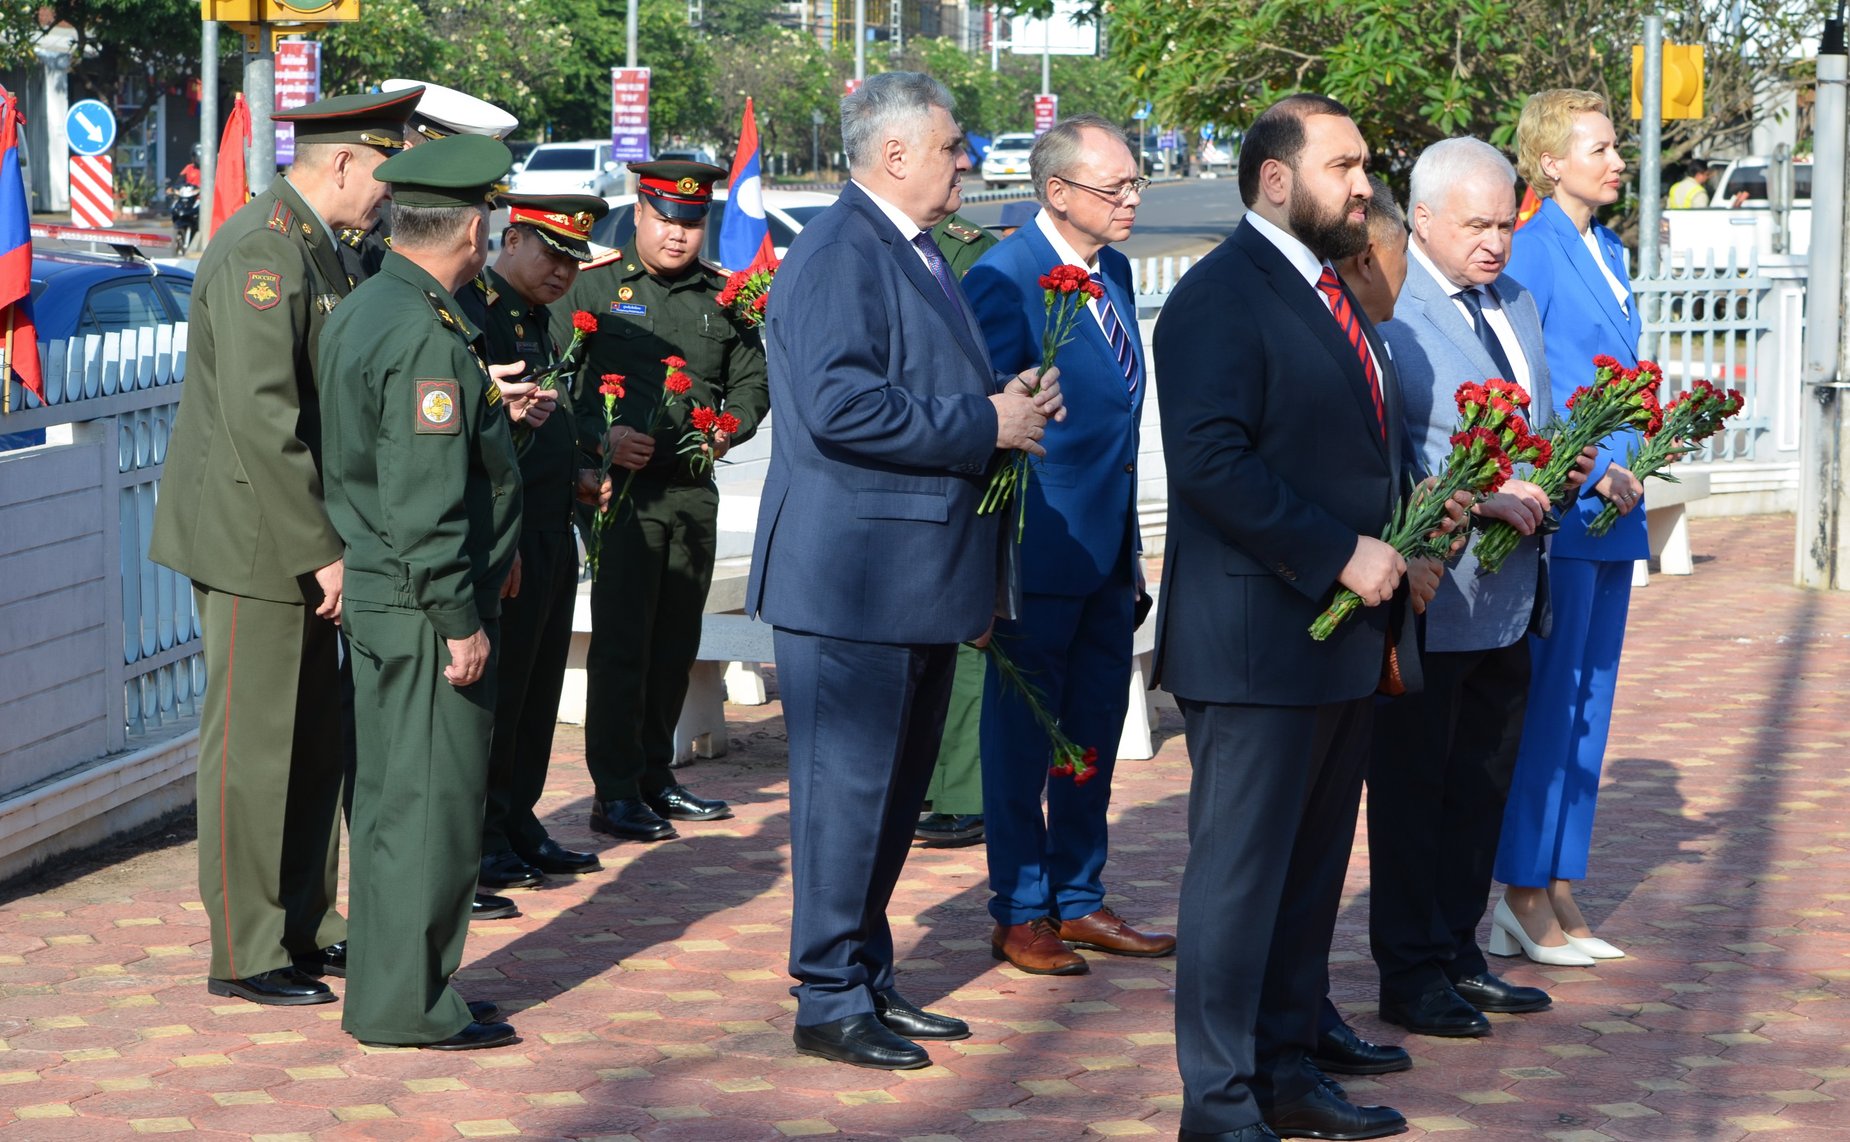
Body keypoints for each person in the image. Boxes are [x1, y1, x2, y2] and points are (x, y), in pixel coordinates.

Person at [746, 71, 1062, 1071]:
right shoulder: (843, 249)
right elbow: (841, 406)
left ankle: (866, 973)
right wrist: (985, 421)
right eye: (951, 145)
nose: (966, 159)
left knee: (887, 797)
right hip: (853, 581)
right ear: (894, 156)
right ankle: (828, 994)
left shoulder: (905, 247)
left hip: (908, 575)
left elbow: (906, 387)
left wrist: (998, 397)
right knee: (845, 793)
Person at [1154, 93, 1425, 1142]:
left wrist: (1403, 536)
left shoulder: (1327, 291)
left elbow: (1348, 449)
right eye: (1343, 165)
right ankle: (1216, 1101)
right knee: (1235, 887)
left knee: (1308, 881)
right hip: (1255, 645)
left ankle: (1285, 1070)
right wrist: (1336, 553)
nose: (1362, 184)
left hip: (1339, 643)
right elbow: (1212, 463)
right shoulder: (1222, 295)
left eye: (1364, 164)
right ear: (1275, 177)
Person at [149, 86, 423, 1007]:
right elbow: (266, 418)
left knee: (313, 744)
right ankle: (245, 944)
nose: (388, 194)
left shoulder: (323, 246)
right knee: (255, 748)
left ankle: (307, 919)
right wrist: (321, 549)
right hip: (257, 534)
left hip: (300, 531)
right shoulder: (266, 249)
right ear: (342, 163)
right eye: (384, 172)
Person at [1370, 138, 1592, 1043]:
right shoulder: (1391, 312)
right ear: (1422, 220)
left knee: (1482, 785)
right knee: (1416, 793)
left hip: (1512, 595)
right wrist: (1487, 497)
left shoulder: (1518, 302)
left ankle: (1459, 951)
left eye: (1507, 222)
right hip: (1434, 595)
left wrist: (1561, 467)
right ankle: (1409, 969)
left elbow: (1530, 423)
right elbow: (1401, 453)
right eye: (1477, 225)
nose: (1496, 242)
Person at [319, 133, 523, 1050]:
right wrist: (459, 616)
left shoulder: (374, 308)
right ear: (475, 226)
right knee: (430, 809)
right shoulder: (422, 332)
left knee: (399, 801)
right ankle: (410, 1005)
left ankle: (399, 987)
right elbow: (424, 495)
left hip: (384, 592)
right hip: (418, 605)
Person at [963, 114, 1173, 976]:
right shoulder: (1003, 280)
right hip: (1034, 550)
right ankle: (1019, 908)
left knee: (1093, 724)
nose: (1132, 200)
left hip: (1104, 552)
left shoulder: (1112, 269)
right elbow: (985, 421)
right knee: (1024, 735)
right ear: (1057, 192)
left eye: (1135, 185)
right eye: (1115, 186)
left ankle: (1080, 897)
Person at [555, 160, 769, 844]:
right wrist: (599, 440)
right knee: (622, 644)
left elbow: (750, 382)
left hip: (691, 490)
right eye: (666, 220)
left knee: (676, 639)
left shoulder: (725, 297)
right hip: (619, 496)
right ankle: (614, 792)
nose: (679, 235)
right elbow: (554, 385)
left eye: (692, 222)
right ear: (641, 215)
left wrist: (725, 428)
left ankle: (656, 775)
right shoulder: (594, 287)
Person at [1494, 89, 1646, 966]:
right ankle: (1518, 888)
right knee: (1551, 703)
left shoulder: (1611, 246)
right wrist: (1590, 467)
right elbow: (1528, 386)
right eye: (1599, 147)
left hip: (1617, 507)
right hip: (1572, 504)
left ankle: (1558, 884)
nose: (1617, 159)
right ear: (1550, 162)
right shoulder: (1536, 249)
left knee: (1589, 703)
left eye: (1615, 144)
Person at [471, 193, 612, 892]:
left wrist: (582, 472)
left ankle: (518, 819)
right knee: (503, 695)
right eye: (552, 253)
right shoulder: (480, 314)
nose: (563, 271)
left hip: (554, 525)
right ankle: (487, 836)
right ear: (512, 237)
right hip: (513, 537)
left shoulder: (534, 320)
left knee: (535, 691)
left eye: (573, 259)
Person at [914, 208, 1001, 850]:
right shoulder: (861, 240)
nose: (961, 167)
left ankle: (962, 792)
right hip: (903, 461)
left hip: (967, 453)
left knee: (969, 636)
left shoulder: (972, 251)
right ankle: (922, 781)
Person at [333, 79, 518, 285]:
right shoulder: (366, 242)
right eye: (456, 164)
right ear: (407, 153)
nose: (469, 177)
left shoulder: (465, 226)